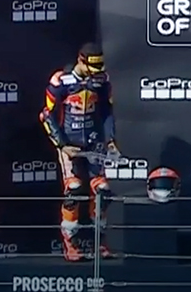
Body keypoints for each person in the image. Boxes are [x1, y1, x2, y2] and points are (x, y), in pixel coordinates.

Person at [40, 42, 120, 261]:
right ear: (80, 60)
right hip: (69, 144)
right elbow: (46, 115)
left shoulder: (102, 81)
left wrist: (110, 141)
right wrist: (62, 145)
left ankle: (99, 243)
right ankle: (70, 243)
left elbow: (107, 112)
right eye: (92, 68)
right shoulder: (61, 81)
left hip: (94, 143)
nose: (96, 73)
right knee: (73, 191)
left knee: (102, 191)